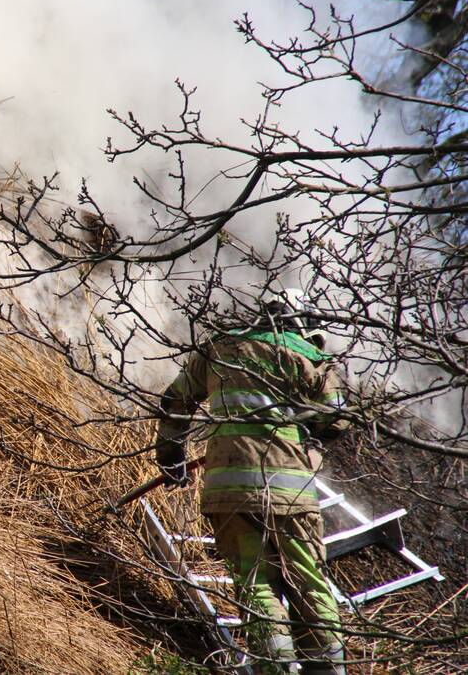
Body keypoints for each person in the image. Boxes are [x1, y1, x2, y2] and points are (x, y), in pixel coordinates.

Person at [155, 289, 349, 675]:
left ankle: (276, 669)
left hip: (230, 493)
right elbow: (337, 420)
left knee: (255, 582)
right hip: (290, 495)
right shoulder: (312, 357)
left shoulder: (218, 348)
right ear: (303, 321)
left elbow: (174, 401)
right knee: (308, 582)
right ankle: (327, 670)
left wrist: (171, 456)